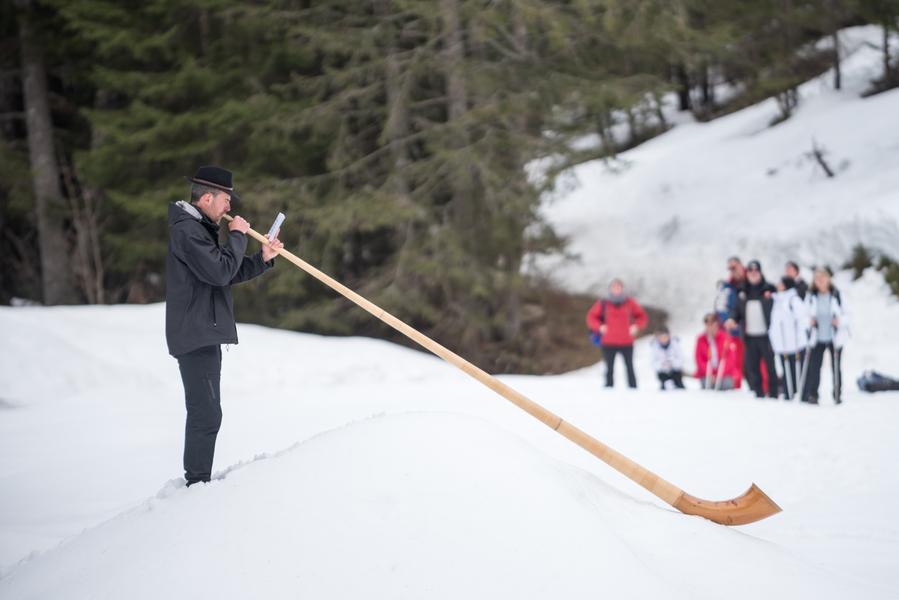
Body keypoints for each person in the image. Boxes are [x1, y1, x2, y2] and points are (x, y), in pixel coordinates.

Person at [166, 166, 284, 486]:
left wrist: (263, 257)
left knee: (209, 413)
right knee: (206, 414)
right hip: (195, 333)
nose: (230, 208)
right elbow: (220, 271)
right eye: (226, 200)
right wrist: (237, 235)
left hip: (203, 332)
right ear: (207, 198)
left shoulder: (200, 228)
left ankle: (198, 482)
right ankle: (196, 485)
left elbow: (226, 273)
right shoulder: (187, 231)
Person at [726, 259, 778, 398]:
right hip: (749, 336)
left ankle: (773, 393)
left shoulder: (769, 289)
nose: (753, 273)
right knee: (752, 367)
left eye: (756, 271)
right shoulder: (742, 290)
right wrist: (732, 319)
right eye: (751, 271)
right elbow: (735, 311)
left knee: (770, 367)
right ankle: (758, 393)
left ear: (760, 272)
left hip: (766, 335)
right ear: (747, 273)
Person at [586, 279, 648, 388]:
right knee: (609, 367)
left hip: (626, 341)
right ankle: (608, 388)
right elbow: (591, 317)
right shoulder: (603, 303)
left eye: (618, 287)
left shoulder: (630, 302)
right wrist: (600, 326)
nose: (616, 289)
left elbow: (642, 317)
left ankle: (633, 389)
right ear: (610, 289)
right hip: (608, 341)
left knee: (629, 366)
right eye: (614, 287)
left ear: (622, 289)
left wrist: (636, 326)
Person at [801, 267, 848, 404]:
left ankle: (837, 394)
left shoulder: (837, 295)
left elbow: (848, 315)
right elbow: (803, 316)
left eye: (822, 278)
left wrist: (839, 320)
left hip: (834, 337)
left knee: (836, 367)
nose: (820, 281)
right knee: (814, 368)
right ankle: (813, 394)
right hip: (817, 337)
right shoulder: (811, 297)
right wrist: (809, 321)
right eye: (817, 278)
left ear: (828, 279)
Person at [768, 276, 808, 400]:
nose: (777, 284)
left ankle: (799, 394)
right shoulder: (777, 299)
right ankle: (787, 392)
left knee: (796, 370)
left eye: (780, 283)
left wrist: (801, 338)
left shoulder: (793, 299)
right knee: (785, 371)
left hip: (794, 343)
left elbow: (802, 319)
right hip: (782, 343)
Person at [694, 313, 740, 390]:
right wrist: (709, 373)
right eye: (707, 324)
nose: (709, 327)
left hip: (724, 374)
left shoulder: (726, 337)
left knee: (726, 384)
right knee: (706, 383)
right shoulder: (701, 339)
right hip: (708, 374)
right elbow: (699, 359)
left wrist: (720, 374)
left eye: (712, 324)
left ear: (717, 324)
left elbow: (731, 359)